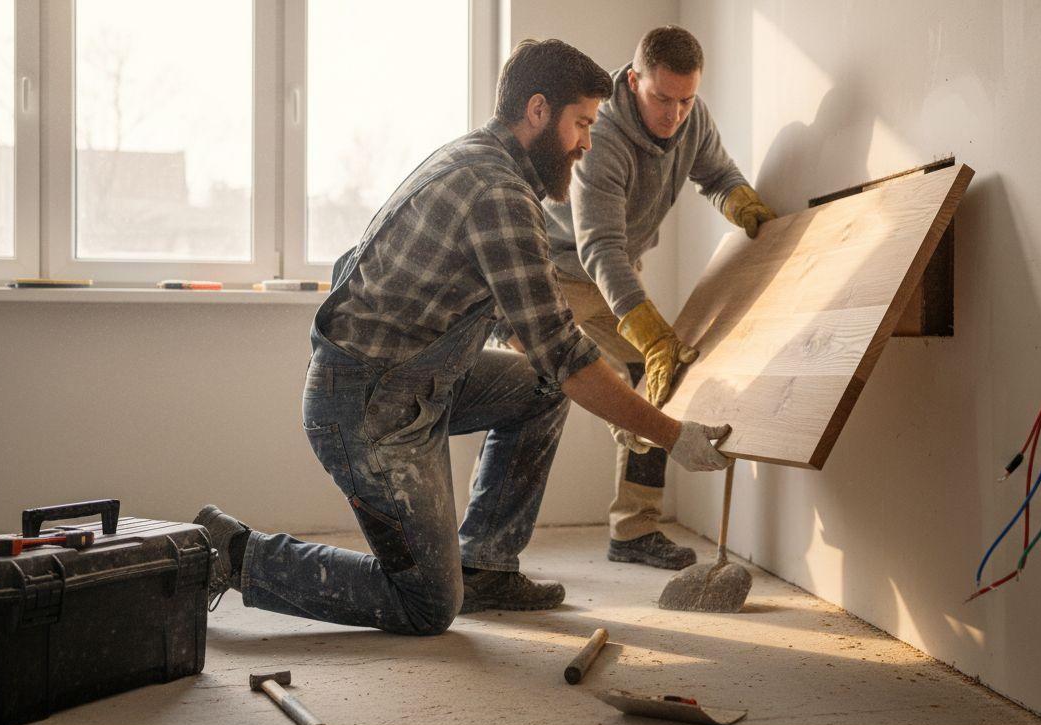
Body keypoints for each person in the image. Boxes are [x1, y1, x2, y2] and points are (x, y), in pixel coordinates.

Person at [194, 39, 731, 636]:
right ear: (537, 111)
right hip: (367, 409)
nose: (585, 142)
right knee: (426, 604)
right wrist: (670, 434)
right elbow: (564, 351)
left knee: (541, 389)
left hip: (411, 378)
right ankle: (236, 554)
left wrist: (569, 373)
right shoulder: (500, 193)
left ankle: (486, 565)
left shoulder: (477, 158)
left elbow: (508, 320)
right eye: (580, 123)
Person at [541, 26, 776, 569]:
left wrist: (746, 207)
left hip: (614, 269)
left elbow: (717, 174)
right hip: (556, 269)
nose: (675, 114)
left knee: (656, 387)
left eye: (687, 99)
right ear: (633, 81)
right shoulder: (601, 136)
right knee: (535, 390)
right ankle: (484, 550)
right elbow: (598, 244)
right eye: (662, 99)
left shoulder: (691, 119)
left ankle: (633, 532)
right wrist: (649, 334)